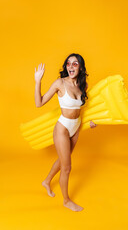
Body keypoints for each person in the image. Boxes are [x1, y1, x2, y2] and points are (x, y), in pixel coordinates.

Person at [34, 53, 97, 212]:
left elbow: (81, 109)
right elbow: (39, 103)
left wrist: (89, 122)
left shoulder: (83, 85)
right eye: (68, 64)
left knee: (63, 161)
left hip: (76, 127)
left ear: (81, 67)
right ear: (65, 67)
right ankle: (66, 200)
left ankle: (47, 181)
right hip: (62, 128)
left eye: (75, 64)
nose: (71, 67)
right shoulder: (60, 83)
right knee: (67, 167)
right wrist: (37, 81)